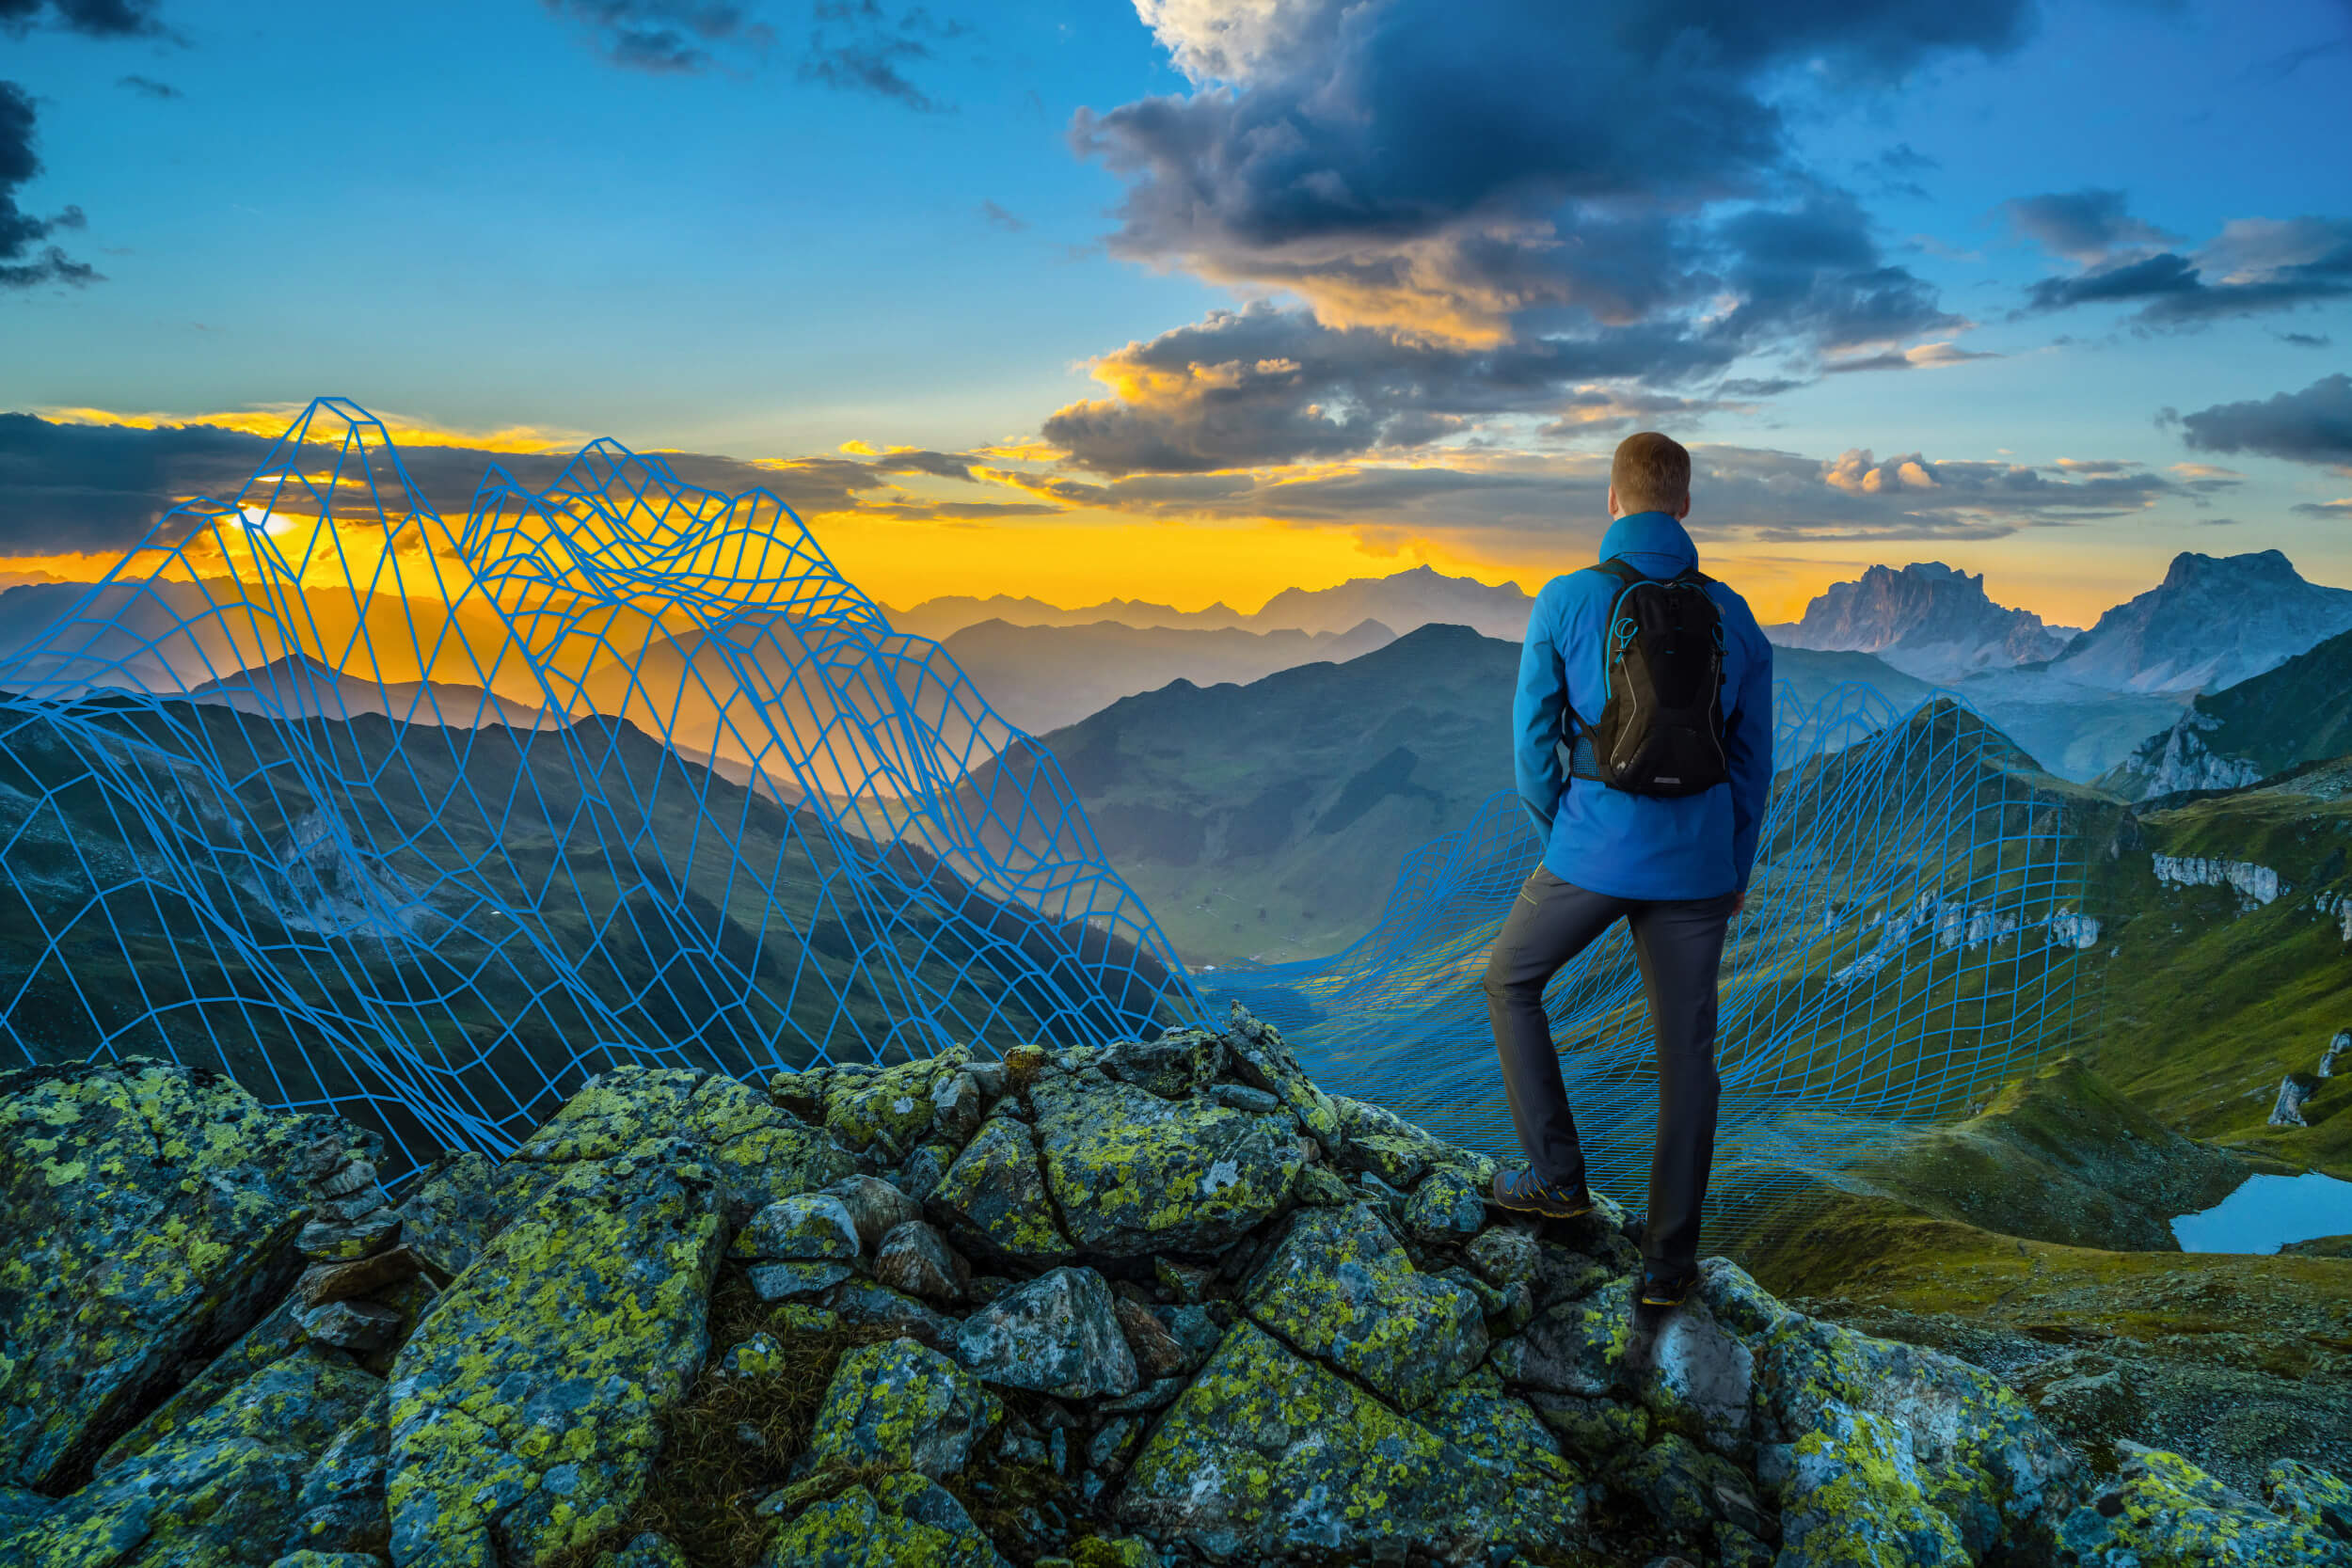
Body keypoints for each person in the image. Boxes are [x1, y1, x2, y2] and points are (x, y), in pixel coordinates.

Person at [1482, 431, 1773, 1311]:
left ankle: (1555, 1177)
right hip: (1697, 869)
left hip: (1589, 853)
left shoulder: (1564, 601)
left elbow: (1534, 750)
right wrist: (1733, 864)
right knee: (1687, 1058)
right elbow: (1754, 764)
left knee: (1509, 982)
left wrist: (1567, 836)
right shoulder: (1737, 615)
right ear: (1684, 506)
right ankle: (1666, 1266)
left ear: (1611, 503)